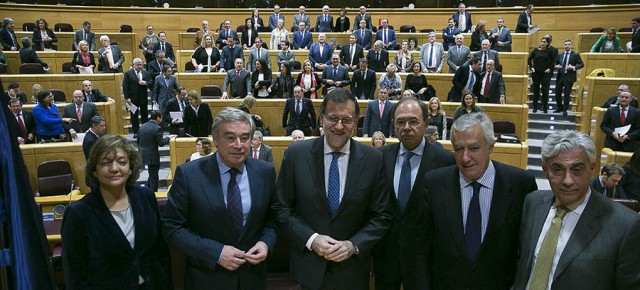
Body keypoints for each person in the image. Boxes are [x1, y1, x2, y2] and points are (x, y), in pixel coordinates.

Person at [273, 87, 392, 290]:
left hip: (352, 271)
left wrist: (353, 245)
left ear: (356, 122)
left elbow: (381, 216)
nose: (338, 126)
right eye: (332, 118)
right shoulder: (296, 155)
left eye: (346, 120)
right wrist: (312, 239)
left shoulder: (374, 159)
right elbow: (281, 209)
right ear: (321, 119)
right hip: (308, 270)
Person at [418, 112, 537, 290]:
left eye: (474, 148)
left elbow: (527, 252)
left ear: (491, 146)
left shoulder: (521, 184)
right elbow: (421, 249)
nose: (465, 158)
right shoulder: (433, 184)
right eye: (458, 149)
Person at [164, 107, 277, 289]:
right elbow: (172, 227)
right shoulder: (189, 174)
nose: (238, 145)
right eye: (230, 138)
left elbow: (272, 220)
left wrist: (266, 243)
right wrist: (216, 253)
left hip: (252, 278)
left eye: (245, 137)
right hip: (207, 278)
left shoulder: (265, 172)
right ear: (215, 139)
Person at [513, 130, 640, 290]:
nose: (567, 180)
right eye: (557, 169)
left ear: (592, 168)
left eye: (577, 169)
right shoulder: (533, 202)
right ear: (545, 170)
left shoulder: (625, 225)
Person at [62, 134, 172, 289]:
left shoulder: (146, 197)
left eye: (122, 162)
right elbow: (75, 274)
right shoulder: (78, 213)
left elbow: (160, 252)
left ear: (130, 167)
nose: (114, 169)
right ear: (94, 170)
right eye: (106, 163)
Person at [373, 97, 455, 290]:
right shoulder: (379, 157)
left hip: (426, 259)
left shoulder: (445, 161)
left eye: (413, 121)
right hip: (386, 255)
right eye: (400, 122)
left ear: (426, 124)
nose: (407, 127)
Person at [138, 110, 172, 192]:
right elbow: (161, 143)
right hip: (152, 156)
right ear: (157, 118)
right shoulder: (157, 128)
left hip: (143, 154)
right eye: (161, 118)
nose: (161, 120)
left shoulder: (142, 126)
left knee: (151, 174)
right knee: (154, 177)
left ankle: (149, 190)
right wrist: (169, 137)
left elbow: (138, 141)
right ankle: (153, 194)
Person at [554, 39, 583, 115]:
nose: (567, 46)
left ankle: (565, 109)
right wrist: (556, 66)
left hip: (569, 76)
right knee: (557, 92)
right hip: (560, 75)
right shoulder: (560, 54)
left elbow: (581, 64)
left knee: (567, 94)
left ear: (571, 46)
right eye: (566, 44)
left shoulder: (575, 54)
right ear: (564, 46)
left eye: (569, 44)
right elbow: (555, 62)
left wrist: (573, 67)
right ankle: (559, 107)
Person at [123, 58, 150, 137]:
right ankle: (136, 132)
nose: (139, 66)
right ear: (134, 65)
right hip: (132, 99)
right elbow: (125, 86)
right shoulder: (128, 73)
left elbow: (151, 82)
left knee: (144, 115)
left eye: (141, 64)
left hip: (143, 98)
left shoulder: (146, 73)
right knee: (134, 115)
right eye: (138, 65)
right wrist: (127, 98)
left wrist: (146, 83)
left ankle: (145, 131)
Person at [528, 36, 555, 113]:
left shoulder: (549, 51)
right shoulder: (535, 51)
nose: (542, 43)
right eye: (542, 41)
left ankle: (545, 107)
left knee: (545, 90)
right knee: (536, 90)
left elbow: (553, 61)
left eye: (544, 42)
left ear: (547, 43)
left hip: (545, 74)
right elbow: (529, 60)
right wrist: (531, 67)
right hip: (536, 73)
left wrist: (550, 68)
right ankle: (535, 107)